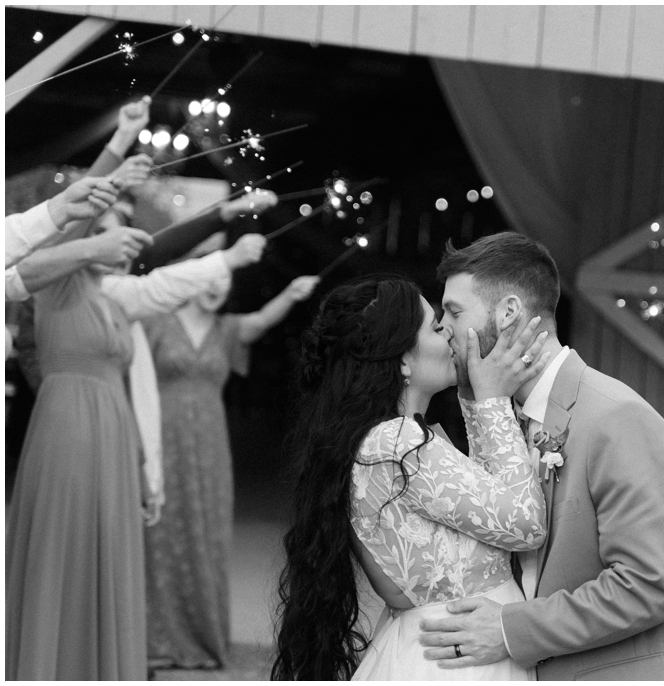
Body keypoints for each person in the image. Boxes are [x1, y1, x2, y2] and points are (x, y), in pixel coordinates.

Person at [419, 232, 664, 680]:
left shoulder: (617, 419)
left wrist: (509, 629)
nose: (443, 327)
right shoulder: (505, 422)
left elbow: (648, 586)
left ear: (509, 312)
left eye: (455, 311)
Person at [4, 218, 266, 680]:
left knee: (108, 556)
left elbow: (161, 282)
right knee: (64, 550)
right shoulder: (58, 287)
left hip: (117, 434)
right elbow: (60, 230)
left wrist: (146, 467)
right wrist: (116, 151)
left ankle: (99, 663)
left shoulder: (115, 296)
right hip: (69, 428)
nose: (125, 239)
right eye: (108, 231)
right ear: (84, 239)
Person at [272, 277, 552, 680]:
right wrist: (491, 402)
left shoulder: (380, 441)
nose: (450, 333)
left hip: (437, 649)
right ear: (403, 360)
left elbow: (489, 502)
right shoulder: (397, 442)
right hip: (457, 662)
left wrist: (474, 399)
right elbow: (526, 523)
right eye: (436, 326)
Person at [143, 255, 320, 670]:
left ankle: (200, 639)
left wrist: (291, 294)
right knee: (158, 533)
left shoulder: (226, 330)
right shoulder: (155, 323)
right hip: (159, 438)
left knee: (206, 533)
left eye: (224, 283)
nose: (216, 288)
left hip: (207, 446)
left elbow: (259, 320)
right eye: (210, 279)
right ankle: (156, 638)